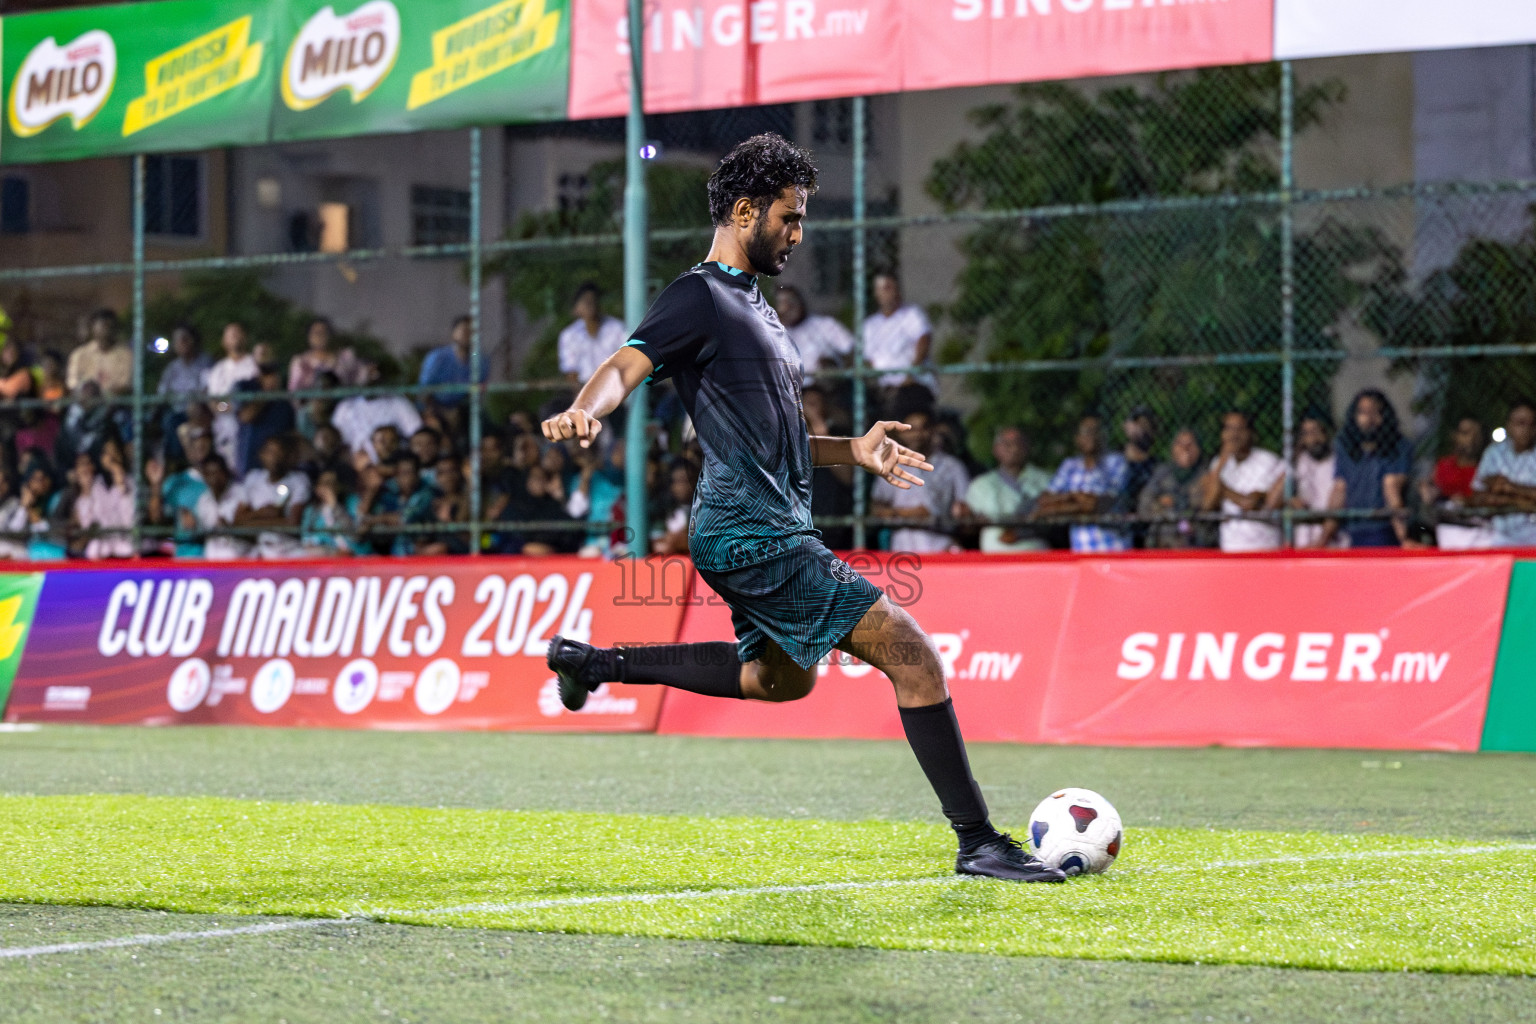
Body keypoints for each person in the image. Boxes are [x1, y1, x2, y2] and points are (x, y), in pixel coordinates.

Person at [538, 134, 1063, 883]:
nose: (798, 233)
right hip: (752, 531)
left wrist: (854, 449)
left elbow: (773, 436)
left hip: (758, 526)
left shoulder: (757, 305)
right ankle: (977, 841)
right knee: (913, 654)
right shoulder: (699, 296)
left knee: (779, 681)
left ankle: (595, 663)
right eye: (789, 217)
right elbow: (627, 363)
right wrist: (586, 409)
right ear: (745, 211)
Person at [870, 410, 971, 552]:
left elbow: (965, 508)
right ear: (901, 433)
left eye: (923, 428)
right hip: (902, 548)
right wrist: (909, 514)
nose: (917, 434)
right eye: (911, 429)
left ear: (932, 430)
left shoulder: (952, 466)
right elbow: (877, 506)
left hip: (941, 545)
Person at [1321, 389, 1411, 548]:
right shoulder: (1346, 447)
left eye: (1375, 412)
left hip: (1384, 529)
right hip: (1352, 528)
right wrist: (1323, 540)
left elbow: (1391, 488)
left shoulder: (1398, 446)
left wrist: (1403, 537)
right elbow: (1340, 488)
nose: (1369, 418)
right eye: (1363, 412)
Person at [1034, 414, 1130, 552]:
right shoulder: (1069, 465)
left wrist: (1059, 505)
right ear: (1077, 439)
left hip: (1113, 547)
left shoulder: (1116, 462)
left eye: (1095, 431)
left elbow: (1099, 504)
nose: (1091, 436)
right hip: (1081, 549)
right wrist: (1073, 498)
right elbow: (1044, 500)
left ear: (1103, 436)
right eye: (1086, 432)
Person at [1198, 410, 1285, 553]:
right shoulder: (1219, 464)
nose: (1233, 435)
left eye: (1240, 429)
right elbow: (1207, 505)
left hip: (1263, 547)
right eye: (1228, 429)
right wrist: (1222, 461)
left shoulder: (1267, 461)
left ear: (1251, 433)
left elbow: (1251, 503)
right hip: (1230, 547)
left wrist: (1222, 489)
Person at [966, 426, 1052, 553]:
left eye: (1019, 443)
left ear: (1028, 447)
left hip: (1036, 553)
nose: (1014, 448)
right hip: (996, 555)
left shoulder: (1046, 480)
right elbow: (969, 526)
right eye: (1007, 443)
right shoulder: (980, 485)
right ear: (995, 449)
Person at [862, 271, 936, 410]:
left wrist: (910, 374)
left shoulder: (912, 314)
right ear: (876, 293)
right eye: (886, 288)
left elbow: (923, 340)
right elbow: (869, 359)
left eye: (893, 287)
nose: (892, 292)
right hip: (885, 387)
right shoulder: (869, 325)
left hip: (913, 383)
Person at [1468, 399, 1536, 547]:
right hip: (1497, 535)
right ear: (1509, 425)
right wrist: (1521, 500)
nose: (1526, 430)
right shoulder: (1494, 453)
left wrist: (1509, 488)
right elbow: (1477, 495)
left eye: (1532, 425)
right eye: (1520, 423)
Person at [1137, 428, 1212, 549]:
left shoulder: (1206, 474)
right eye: (1180, 444)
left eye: (1190, 445)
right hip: (1163, 543)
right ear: (1173, 449)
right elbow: (1144, 505)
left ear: (1198, 449)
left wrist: (1180, 501)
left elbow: (1205, 505)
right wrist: (1160, 505)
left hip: (1195, 543)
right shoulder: (1162, 473)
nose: (1185, 449)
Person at [147, 423, 214, 558]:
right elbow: (156, 518)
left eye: (204, 440)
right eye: (194, 441)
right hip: (186, 558)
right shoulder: (176, 482)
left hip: (220, 558)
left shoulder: (220, 478)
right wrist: (156, 486)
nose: (200, 446)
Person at [333, 361, 422, 461]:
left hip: (391, 462)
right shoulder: (345, 406)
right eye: (366, 373)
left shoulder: (398, 403)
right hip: (355, 464)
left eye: (374, 373)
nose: (369, 377)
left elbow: (417, 434)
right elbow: (336, 441)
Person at [242, 437, 312, 559]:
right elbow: (238, 522)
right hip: (258, 545)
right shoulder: (252, 478)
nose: (274, 457)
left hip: (288, 546)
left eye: (278, 452)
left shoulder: (299, 480)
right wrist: (263, 513)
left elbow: (293, 523)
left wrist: (252, 521)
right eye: (270, 452)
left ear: (287, 456)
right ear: (262, 455)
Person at [774, 284, 853, 382]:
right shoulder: (775, 333)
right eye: (782, 303)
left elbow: (850, 350)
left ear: (800, 302)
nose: (787, 307)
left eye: (790, 301)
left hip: (822, 386)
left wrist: (832, 363)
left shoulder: (825, 324)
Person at [208, 322, 259, 470]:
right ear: (224, 341)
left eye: (238, 333)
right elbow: (213, 402)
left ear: (246, 338)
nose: (235, 337)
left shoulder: (254, 365)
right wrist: (229, 407)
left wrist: (231, 406)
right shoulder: (218, 370)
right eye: (230, 335)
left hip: (249, 426)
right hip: (224, 430)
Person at [72, 439, 134, 560]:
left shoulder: (131, 481)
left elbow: (130, 522)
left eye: (115, 452)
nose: (112, 457)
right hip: (102, 549)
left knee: (130, 547)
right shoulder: (95, 485)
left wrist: (121, 485)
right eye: (107, 453)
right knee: (93, 548)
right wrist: (86, 490)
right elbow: (87, 525)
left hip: (127, 545)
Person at [558, 283, 627, 385]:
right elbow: (570, 372)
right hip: (583, 389)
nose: (590, 305)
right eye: (586, 301)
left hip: (616, 388)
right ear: (576, 309)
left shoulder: (617, 328)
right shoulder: (569, 335)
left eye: (593, 300)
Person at [418, 315, 489, 408]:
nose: (469, 335)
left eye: (473, 332)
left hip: (461, 408)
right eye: (465, 330)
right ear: (454, 333)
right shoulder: (437, 358)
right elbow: (424, 391)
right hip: (435, 407)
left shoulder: (481, 362)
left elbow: (476, 393)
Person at [190, 454, 251, 561]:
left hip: (240, 560)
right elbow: (201, 532)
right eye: (209, 473)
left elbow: (250, 531)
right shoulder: (203, 500)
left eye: (217, 472)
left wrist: (229, 527)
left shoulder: (240, 493)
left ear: (225, 473)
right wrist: (193, 525)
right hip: (213, 561)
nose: (214, 478)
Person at [1291, 414, 1340, 549]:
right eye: (1307, 434)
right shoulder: (1301, 460)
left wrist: (1319, 545)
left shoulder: (1339, 461)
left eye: (1317, 431)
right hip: (1304, 539)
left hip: (1333, 541)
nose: (1314, 438)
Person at [66, 309, 131, 397]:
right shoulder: (80, 354)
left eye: (111, 326)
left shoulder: (126, 354)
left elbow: (125, 385)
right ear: (93, 327)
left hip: (114, 403)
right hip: (84, 402)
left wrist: (103, 397)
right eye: (104, 326)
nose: (108, 330)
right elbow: (72, 384)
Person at [288, 317, 363, 393]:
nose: (319, 336)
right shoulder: (301, 361)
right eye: (316, 333)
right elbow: (294, 390)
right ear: (309, 336)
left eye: (323, 332)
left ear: (330, 335)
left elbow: (360, 379)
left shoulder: (344, 358)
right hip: (311, 403)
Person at [1430, 416, 1486, 503]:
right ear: (1455, 436)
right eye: (1465, 433)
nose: (1471, 439)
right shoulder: (1443, 465)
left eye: (1476, 435)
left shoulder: (1487, 469)